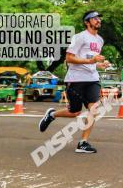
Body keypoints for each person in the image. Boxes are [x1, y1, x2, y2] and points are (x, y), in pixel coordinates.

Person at [39, 11, 109, 154]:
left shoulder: (100, 40)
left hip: (92, 78)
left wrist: (99, 65)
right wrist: (91, 61)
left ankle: (83, 143)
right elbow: (69, 59)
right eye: (94, 18)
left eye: (99, 18)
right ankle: (52, 115)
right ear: (87, 22)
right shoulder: (79, 37)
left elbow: (91, 60)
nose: (98, 20)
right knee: (74, 112)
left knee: (94, 108)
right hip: (75, 79)